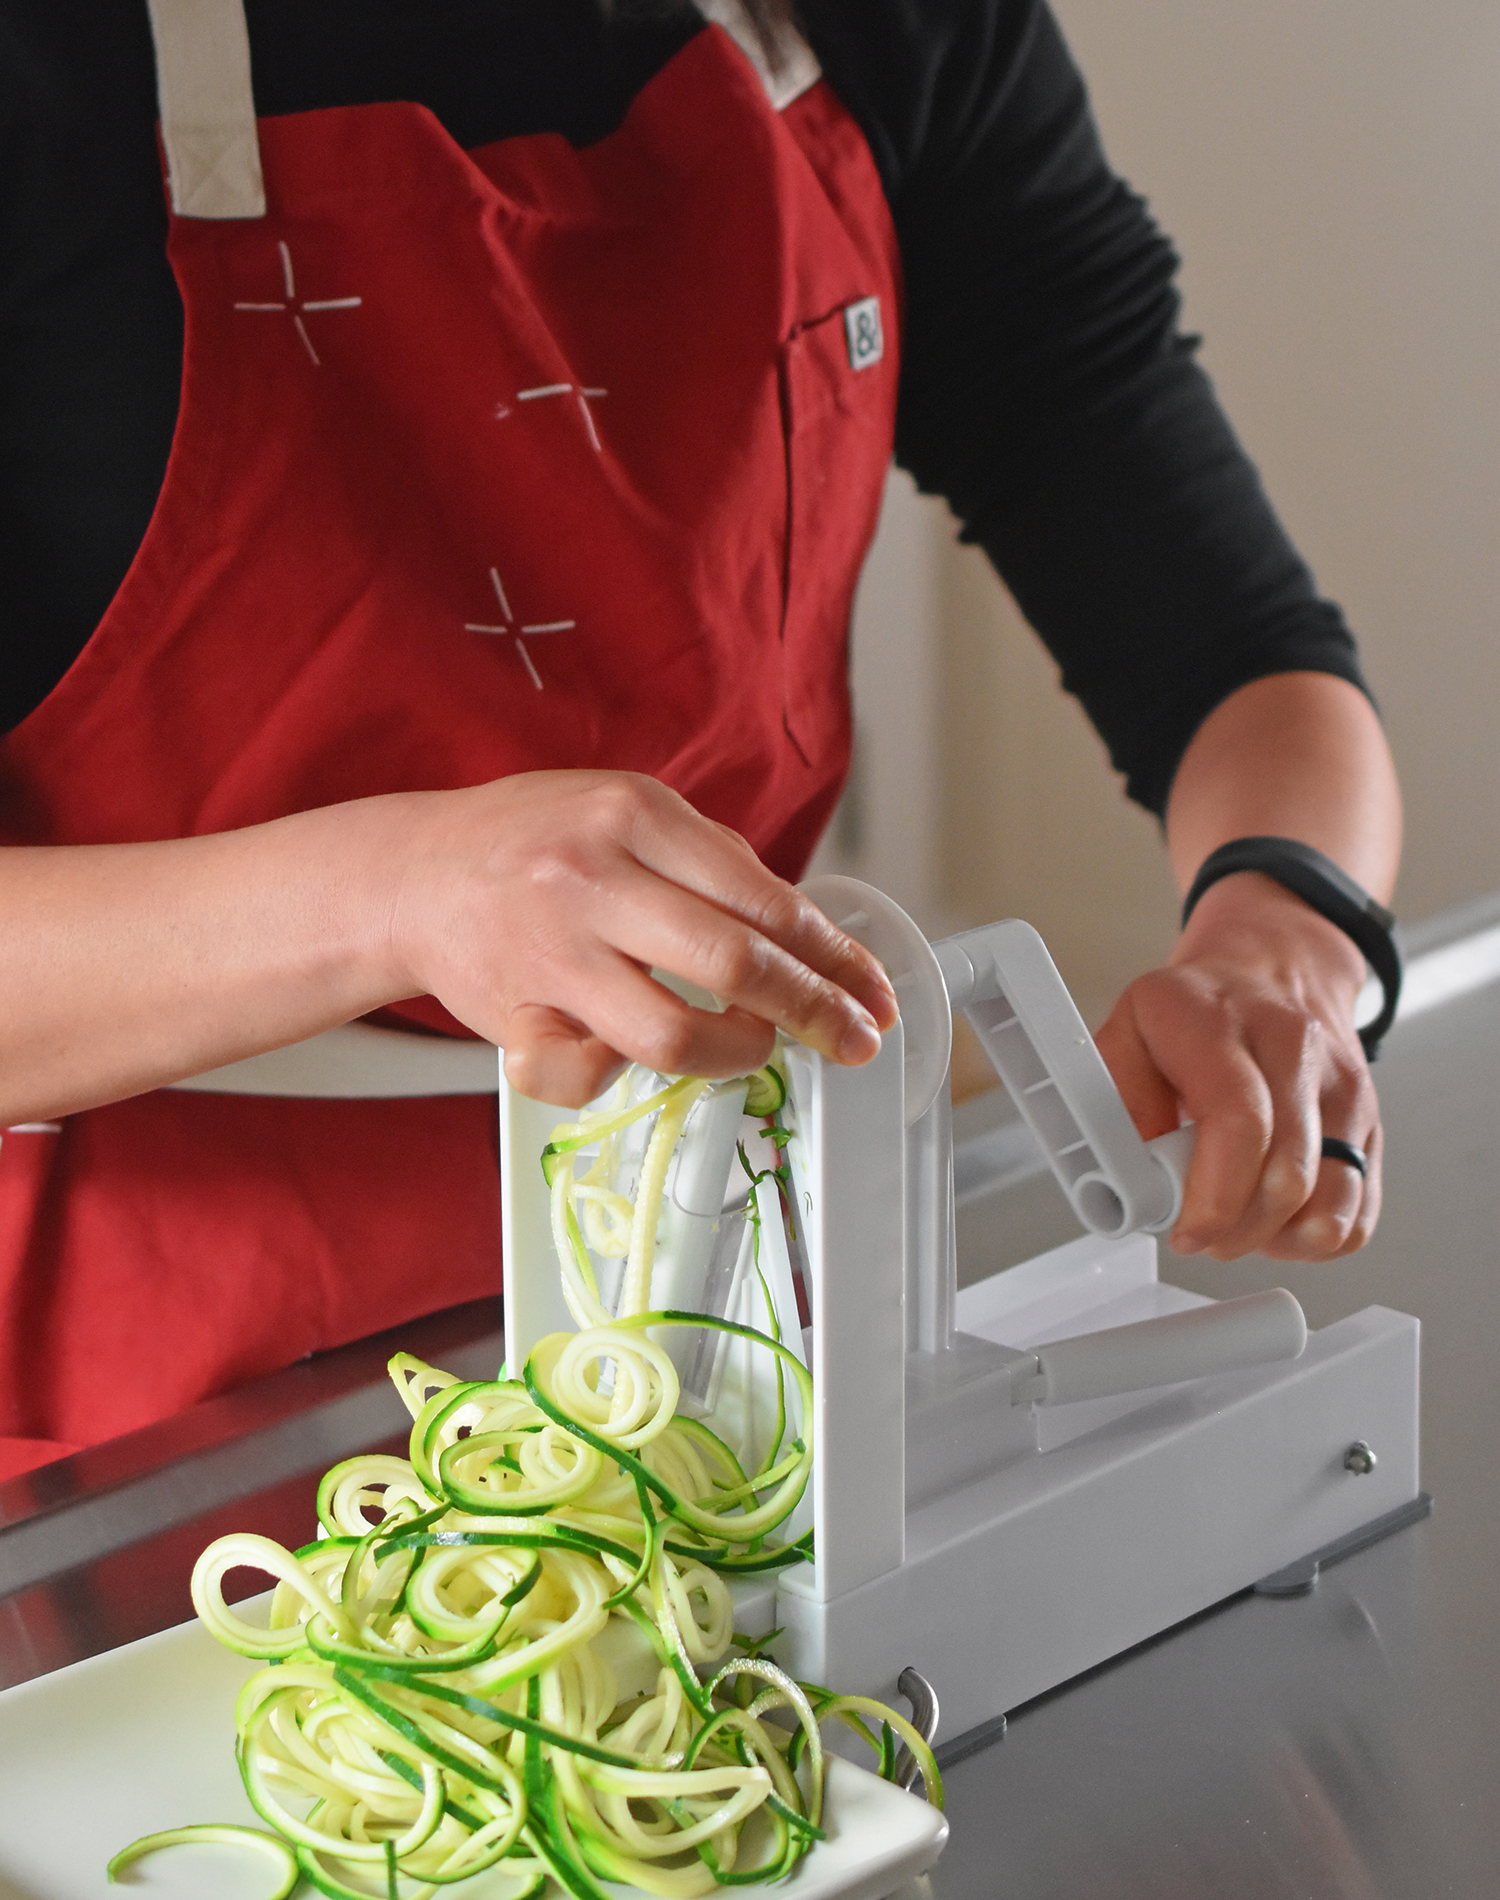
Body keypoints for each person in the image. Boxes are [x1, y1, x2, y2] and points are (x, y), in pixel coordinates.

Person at [0, 0, 1401, 1473]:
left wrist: (1279, 949)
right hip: (144, 1419)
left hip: (736, 1320)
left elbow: (1232, 643)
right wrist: (398, 889)